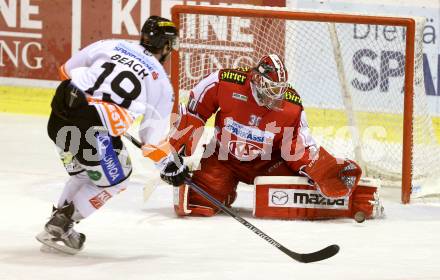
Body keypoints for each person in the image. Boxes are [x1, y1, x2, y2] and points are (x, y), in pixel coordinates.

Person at [36, 16, 188, 254]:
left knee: (84, 174)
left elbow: (65, 71)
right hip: (92, 132)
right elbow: (153, 142)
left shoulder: (110, 44)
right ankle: (62, 224)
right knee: (118, 179)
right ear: (167, 46)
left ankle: (58, 223)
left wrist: (102, 104)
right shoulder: (161, 84)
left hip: (58, 120)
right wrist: (171, 167)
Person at [166, 54, 383, 220]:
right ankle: (224, 191)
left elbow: (298, 147)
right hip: (224, 159)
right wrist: (173, 156)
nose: (276, 96)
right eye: (271, 89)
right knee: (197, 202)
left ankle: (356, 198)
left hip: (268, 164)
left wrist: (321, 170)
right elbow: (193, 113)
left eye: (279, 89)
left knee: (303, 197)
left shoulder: (291, 105)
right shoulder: (225, 82)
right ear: (257, 81)